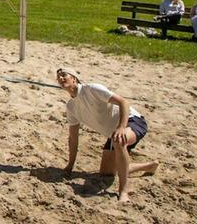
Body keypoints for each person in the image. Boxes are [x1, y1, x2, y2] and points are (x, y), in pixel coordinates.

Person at [56, 67, 158, 202]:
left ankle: (123, 191)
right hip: (114, 133)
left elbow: (124, 102)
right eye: (58, 77)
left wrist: (122, 127)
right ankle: (149, 166)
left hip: (132, 121)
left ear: (74, 78)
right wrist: (70, 165)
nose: (60, 78)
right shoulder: (71, 106)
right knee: (106, 173)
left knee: (119, 140)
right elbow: (73, 138)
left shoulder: (92, 89)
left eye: (64, 75)